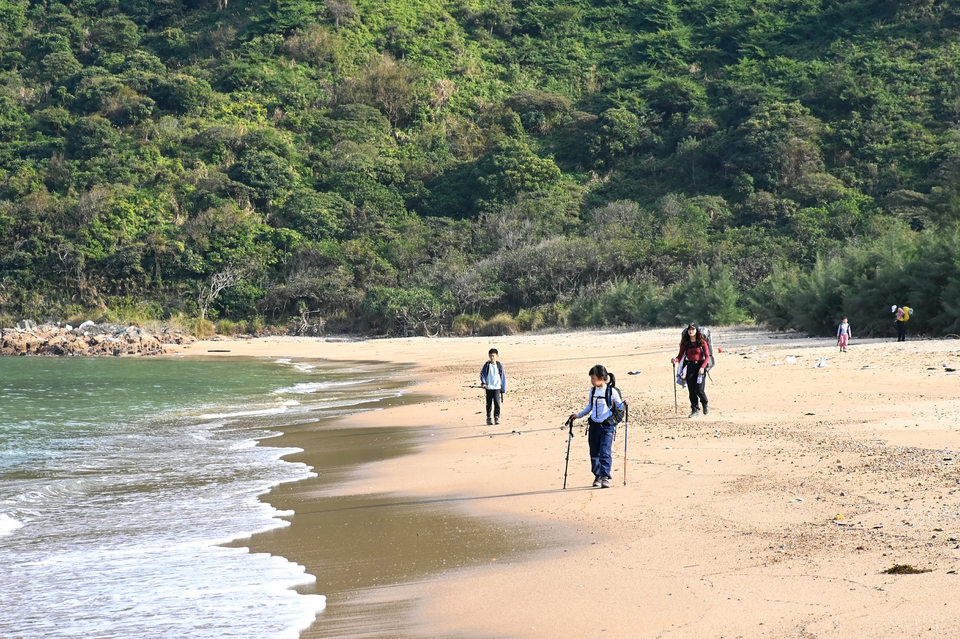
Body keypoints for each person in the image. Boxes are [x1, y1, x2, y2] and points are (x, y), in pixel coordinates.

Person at [569, 365, 627, 488]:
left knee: (605, 452)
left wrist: (625, 404)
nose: (591, 381)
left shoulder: (612, 391)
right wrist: (578, 415)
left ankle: (605, 477)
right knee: (594, 452)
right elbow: (589, 407)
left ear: (601, 378)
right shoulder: (593, 391)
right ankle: (597, 476)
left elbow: (620, 406)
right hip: (594, 425)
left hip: (607, 426)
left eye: (593, 378)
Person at [671, 324, 711, 418]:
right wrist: (675, 360)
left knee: (699, 390)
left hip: (700, 367)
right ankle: (695, 410)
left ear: (696, 331)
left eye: (693, 329)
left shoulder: (702, 342)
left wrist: (702, 367)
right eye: (689, 330)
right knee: (692, 391)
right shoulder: (685, 343)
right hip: (690, 367)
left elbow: (707, 356)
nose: (691, 331)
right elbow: (680, 356)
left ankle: (705, 404)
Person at [480, 348, 506, 425]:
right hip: (488, 387)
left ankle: (497, 417)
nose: (492, 358)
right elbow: (482, 374)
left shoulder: (499, 365)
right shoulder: (487, 365)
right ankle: (488, 418)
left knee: (497, 403)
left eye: (493, 356)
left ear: (497, 356)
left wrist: (503, 388)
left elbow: (503, 377)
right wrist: (483, 383)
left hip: (497, 387)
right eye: (490, 356)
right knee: (489, 404)